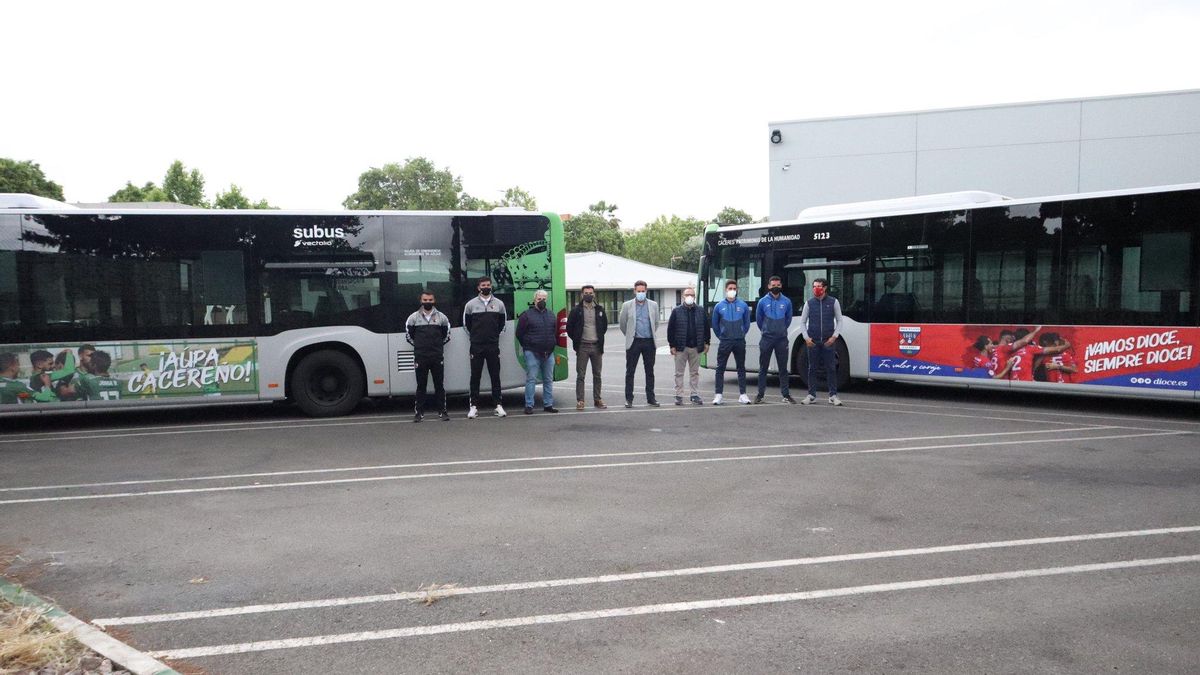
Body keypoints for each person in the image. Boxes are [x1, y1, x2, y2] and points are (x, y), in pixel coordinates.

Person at [463, 276, 507, 419]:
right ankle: (473, 406)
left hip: (493, 345)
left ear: (491, 286)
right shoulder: (470, 305)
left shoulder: (499, 304)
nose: (486, 287)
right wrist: (477, 337)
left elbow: (502, 323)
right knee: (475, 376)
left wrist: (493, 336)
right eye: (483, 285)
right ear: (478, 287)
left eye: (488, 284)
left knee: (495, 375)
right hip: (476, 346)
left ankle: (498, 405)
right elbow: (467, 325)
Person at [405, 290, 451, 422]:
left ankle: (442, 412)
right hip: (421, 356)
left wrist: (436, 346)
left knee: (439, 385)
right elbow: (409, 336)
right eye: (425, 300)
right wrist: (420, 346)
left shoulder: (442, 317)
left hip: (437, 356)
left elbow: (446, 335)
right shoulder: (413, 317)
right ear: (421, 301)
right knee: (421, 385)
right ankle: (419, 413)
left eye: (430, 300)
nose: (428, 302)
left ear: (434, 301)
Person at [799, 278, 844, 406]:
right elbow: (802, 322)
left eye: (818, 286)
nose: (816, 289)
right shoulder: (809, 303)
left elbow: (840, 320)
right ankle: (811, 395)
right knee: (812, 368)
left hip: (828, 341)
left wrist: (834, 337)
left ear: (825, 288)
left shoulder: (833, 302)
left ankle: (833, 395)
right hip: (812, 341)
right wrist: (806, 338)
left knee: (831, 368)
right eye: (814, 286)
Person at [618, 280, 660, 407]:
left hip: (649, 342)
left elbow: (656, 323)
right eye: (639, 291)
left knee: (650, 371)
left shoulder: (653, 305)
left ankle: (651, 398)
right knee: (630, 372)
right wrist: (630, 335)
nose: (641, 293)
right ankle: (629, 399)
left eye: (643, 291)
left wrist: (649, 334)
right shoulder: (627, 305)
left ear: (646, 291)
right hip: (634, 342)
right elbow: (622, 324)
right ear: (634, 291)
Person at [516, 289, 558, 414]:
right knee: (531, 379)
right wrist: (527, 346)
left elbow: (553, 331)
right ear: (534, 300)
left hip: (548, 352)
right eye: (539, 299)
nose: (542, 301)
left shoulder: (551, 315)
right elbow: (519, 333)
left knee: (548, 379)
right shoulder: (526, 315)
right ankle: (529, 405)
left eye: (544, 299)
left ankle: (548, 404)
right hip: (532, 352)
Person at [566, 284, 608, 410]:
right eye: (586, 293)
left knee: (597, 375)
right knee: (581, 375)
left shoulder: (600, 309)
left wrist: (598, 338)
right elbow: (569, 328)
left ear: (594, 294)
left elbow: (604, 327)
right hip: (582, 347)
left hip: (596, 347)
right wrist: (577, 340)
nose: (588, 295)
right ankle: (580, 401)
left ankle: (597, 399)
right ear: (582, 294)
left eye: (590, 293)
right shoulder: (576, 310)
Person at [755, 276, 796, 404]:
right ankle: (760, 395)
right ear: (768, 286)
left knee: (783, 369)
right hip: (766, 339)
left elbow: (788, 319)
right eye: (773, 285)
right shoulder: (762, 302)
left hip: (781, 339)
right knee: (763, 368)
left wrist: (781, 329)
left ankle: (786, 394)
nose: (775, 287)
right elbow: (759, 320)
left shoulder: (787, 301)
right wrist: (767, 330)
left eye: (777, 284)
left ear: (781, 285)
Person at [710, 279, 751, 405]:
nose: (732, 291)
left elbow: (747, 323)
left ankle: (743, 395)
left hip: (739, 341)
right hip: (725, 341)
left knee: (741, 368)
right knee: (720, 368)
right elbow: (715, 324)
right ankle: (718, 395)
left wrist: (741, 333)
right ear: (725, 290)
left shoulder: (743, 305)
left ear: (737, 290)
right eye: (730, 289)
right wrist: (722, 336)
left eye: (734, 288)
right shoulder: (719, 306)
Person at [666, 286, 709, 405]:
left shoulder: (701, 310)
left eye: (692, 295)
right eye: (687, 295)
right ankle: (679, 395)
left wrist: (707, 342)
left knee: (694, 372)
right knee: (679, 373)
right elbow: (671, 329)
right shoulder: (676, 311)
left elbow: (706, 328)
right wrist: (672, 345)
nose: (689, 297)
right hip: (681, 347)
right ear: (683, 297)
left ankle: (694, 394)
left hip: (696, 347)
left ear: (695, 297)